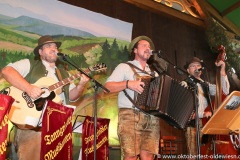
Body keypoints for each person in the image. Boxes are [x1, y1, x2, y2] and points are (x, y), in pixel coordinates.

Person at [1, 35, 90, 160]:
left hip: (58, 127)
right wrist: (28, 88)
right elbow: (7, 71)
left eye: (55, 47)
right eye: (48, 46)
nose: (54, 49)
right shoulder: (29, 64)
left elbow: (72, 96)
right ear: (40, 52)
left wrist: (81, 85)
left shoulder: (64, 74)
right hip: (33, 128)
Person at [104, 36, 162, 160]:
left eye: (149, 46)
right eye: (144, 45)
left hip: (151, 117)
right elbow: (107, 87)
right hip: (130, 115)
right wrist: (128, 83)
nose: (148, 48)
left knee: (148, 156)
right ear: (135, 50)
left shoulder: (154, 73)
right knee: (131, 155)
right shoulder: (124, 67)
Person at [180, 56, 230, 158]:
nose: (196, 67)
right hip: (193, 126)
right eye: (193, 66)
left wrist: (222, 70)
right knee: (194, 156)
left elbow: (224, 91)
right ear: (187, 70)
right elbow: (184, 109)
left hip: (206, 125)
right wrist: (202, 113)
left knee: (207, 155)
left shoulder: (205, 85)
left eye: (198, 65)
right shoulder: (184, 84)